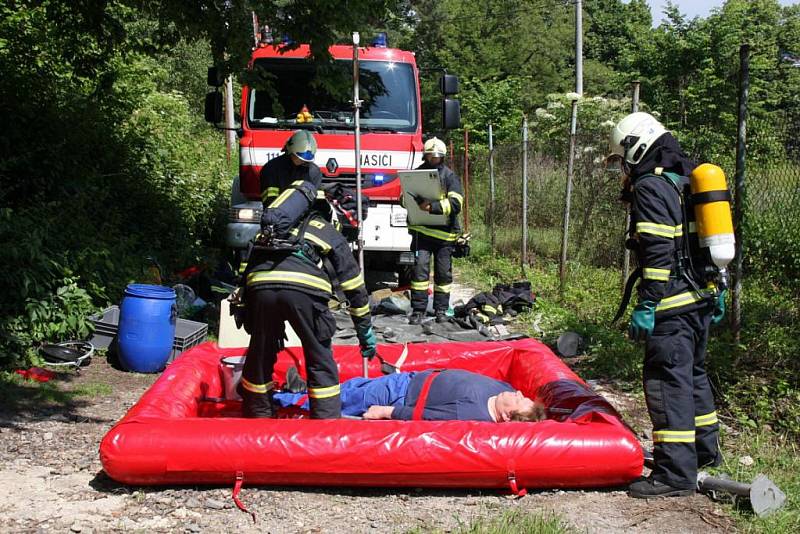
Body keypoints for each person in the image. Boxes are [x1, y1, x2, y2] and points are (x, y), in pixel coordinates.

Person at [608, 112, 723, 498]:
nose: (623, 169)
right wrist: (717, 287)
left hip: (671, 306)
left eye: (623, 159)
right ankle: (705, 456)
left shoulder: (652, 187)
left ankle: (675, 474)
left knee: (667, 383)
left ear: (635, 147)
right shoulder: (688, 177)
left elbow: (657, 251)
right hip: (700, 300)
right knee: (694, 377)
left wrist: (647, 305)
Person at [239, 179, 376, 419]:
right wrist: (364, 332)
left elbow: (245, 269)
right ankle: (324, 424)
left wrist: (249, 313)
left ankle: (257, 418)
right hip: (305, 293)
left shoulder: (270, 231)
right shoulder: (325, 229)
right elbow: (353, 285)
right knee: (318, 355)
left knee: (260, 353)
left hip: (260, 290)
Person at [273, 368, 545, 422]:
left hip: (399, 395)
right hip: (408, 380)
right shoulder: (500, 392)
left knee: (343, 400)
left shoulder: (471, 413)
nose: (519, 392)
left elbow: (424, 416)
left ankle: (282, 401)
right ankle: (300, 389)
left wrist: (385, 412)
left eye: (520, 400)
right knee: (353, 386)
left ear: (508, 416)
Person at [407, 137, 464, 325]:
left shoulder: (449, 176)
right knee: (419, 272)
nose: (434, 159)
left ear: (443, 157)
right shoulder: (416, 174)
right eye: (430, 156)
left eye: (437, 156)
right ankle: (418, 310)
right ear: (425, 155)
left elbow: (456, 203)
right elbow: (404, 197)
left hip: (444, 236)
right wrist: (408, 201)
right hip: (421, 233)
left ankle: (440, 310)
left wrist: (433, 207)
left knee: (443, 274)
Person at [259, 129, 324, 206]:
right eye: (298, 157)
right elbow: (270, 201)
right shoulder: (272, 169)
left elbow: (319, 200)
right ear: (290, 151)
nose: (302, 161)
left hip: (306, 215)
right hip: (279, 214)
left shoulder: (314, 171)